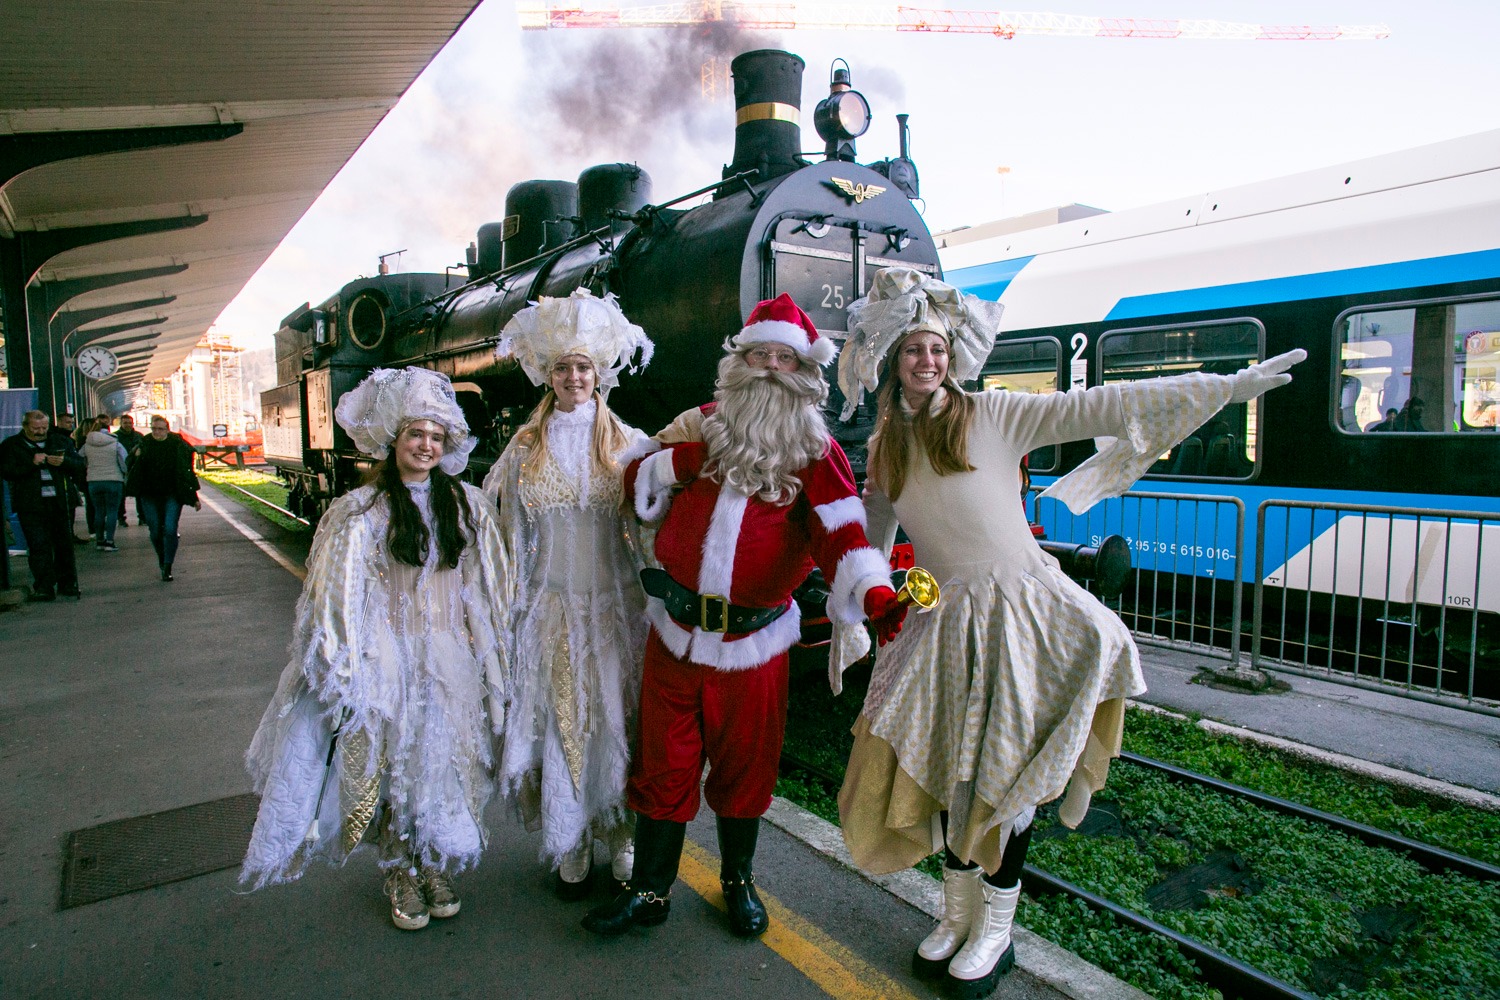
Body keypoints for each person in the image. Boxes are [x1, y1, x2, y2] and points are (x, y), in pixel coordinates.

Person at [828, 267, 1304, 998]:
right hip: (944, 622)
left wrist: (1227, 387)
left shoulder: (992, 414)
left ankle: (995, 929)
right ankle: (957, 915)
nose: (928, 361)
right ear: (894, 359)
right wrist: (860, 605)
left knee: (1005, 774)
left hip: (1022, 616)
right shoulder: (889, 443)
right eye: (915, 349)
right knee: (953, 771)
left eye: (939, 349)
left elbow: (1103, 403)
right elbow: (876, 532)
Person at [582, 293, 904, 940]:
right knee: (662, 765)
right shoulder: (701, 424)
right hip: (674, 635)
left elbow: (841, 530)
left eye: (785, 358)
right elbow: (631, 477)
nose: (771, 368)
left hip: (752, 647)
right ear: (739, 361)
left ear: (803, 370)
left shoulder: (814, 451)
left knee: (745, 770)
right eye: (761, 355)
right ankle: (649, 891)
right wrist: (682, 462)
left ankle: (737, 882)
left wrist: (874, 594)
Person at [241, 367, 511, 931]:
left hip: (449, 660)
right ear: (394, 440)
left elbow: (487, 588)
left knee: (442, 764)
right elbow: (337, 597)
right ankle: (398, 868)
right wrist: (346, 666)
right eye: (416, 435)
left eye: (436, 437)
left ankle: (431, 861)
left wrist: (491, 655)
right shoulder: (362, 511)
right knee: (391, 767)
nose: (426, 446)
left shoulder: (468, 506)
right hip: (387, 660)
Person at [482, 289, 655, 900]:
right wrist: (504, 607)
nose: (574, 377)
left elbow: (655, 525)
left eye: (583, 366)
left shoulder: (629, 441)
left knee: (618, 720)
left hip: (617, 609)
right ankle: (572, 834)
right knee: (563, 721)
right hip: (550, 608)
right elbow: (505, 532)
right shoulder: (525, 447)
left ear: (599, 372)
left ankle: (621, 833)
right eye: (563, 367)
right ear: (548, 374)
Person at [0, 411, 84, 600]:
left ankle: (67, 583)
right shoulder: (12, 445)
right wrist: (32, 464)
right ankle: (44, 586)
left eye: (44, 427)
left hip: (60, 502)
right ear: (25, 426)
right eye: (35, 428)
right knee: (38, 546)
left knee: (64, 545)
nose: (40, 432)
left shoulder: (61, 441)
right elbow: (7, 471)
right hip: (30, 505)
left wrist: (64, 462)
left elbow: (79, 464)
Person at [126, 416, 201, 581]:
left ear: (167, 430)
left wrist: (194, 497)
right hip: (149, 494)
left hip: (172, 494)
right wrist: (135, 456)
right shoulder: (143, 444)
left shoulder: (177, 445)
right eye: (154, 429)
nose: (156, 432)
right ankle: (162, 557)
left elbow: (186, 472)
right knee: (154, 531)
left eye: (160, 429)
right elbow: (128, 464)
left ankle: (167, 565)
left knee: (170, 529)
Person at [81, 420, 129, 551]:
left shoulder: (87, 444)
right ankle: (109, 541)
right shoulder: (116, 443)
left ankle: (99, 541)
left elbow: (80, 458)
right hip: (114, 480)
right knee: (112, 511)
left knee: (99, 511)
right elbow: (124, 462)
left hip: (94, 481)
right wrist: (124, 474)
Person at [113, 414, 144, 525]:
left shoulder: (139, 436)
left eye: (129, 423)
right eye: (125, 423)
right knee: (120, 495)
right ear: (121, 424)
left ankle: (142, 517)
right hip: (120, 468)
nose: (128, 425)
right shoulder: (115, 437)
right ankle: (121, 517)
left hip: (136, 468)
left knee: (140, 493)